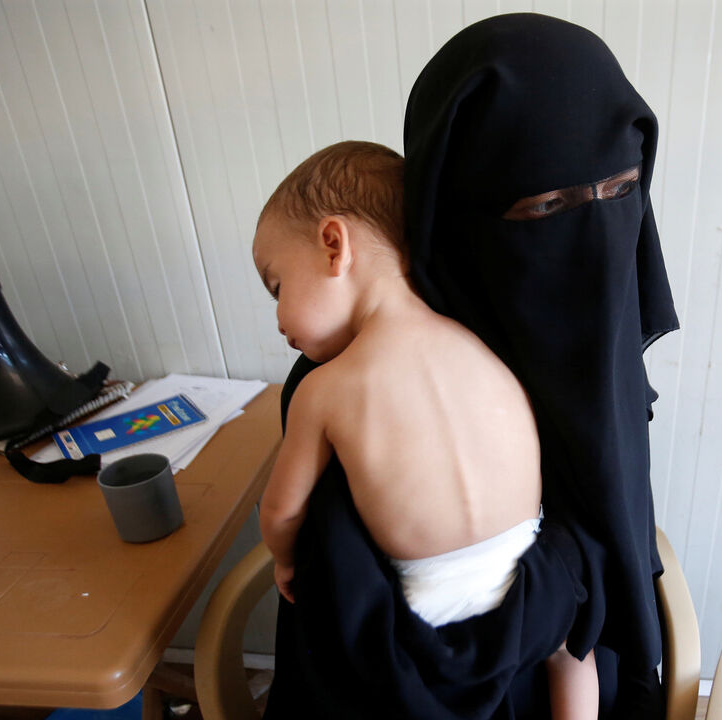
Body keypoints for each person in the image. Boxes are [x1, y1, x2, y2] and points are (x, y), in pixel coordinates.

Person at [262, 13, 680, 720]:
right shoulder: (341, 378)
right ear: (453, 207)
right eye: (545, 204)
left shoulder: (607, 370)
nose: (589, 236)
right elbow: (349, 648)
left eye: (620, 191)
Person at [253, 139, 599, 720]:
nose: (279, 318)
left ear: (334, 246)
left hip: (429, 610)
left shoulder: (326, 388)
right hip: (531, 581)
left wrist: (285, 561)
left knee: (372, 683)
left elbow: (283, 511)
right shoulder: (483, 344)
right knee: (572, 650)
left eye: (277, 286)